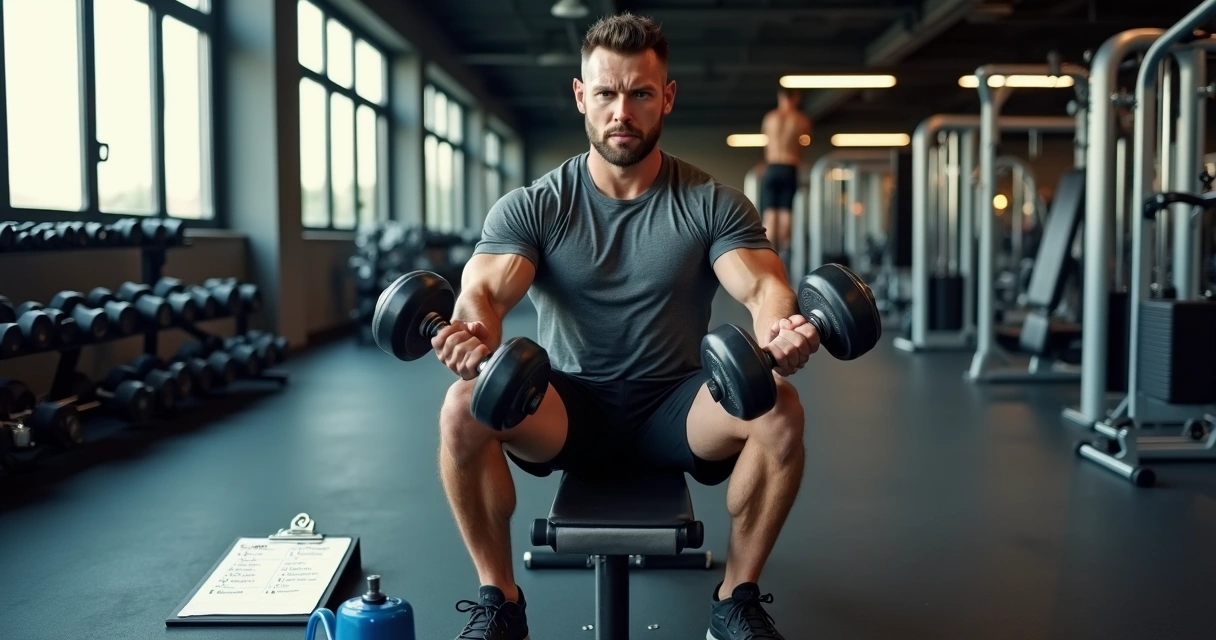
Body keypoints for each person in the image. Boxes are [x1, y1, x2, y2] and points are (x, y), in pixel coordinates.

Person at [433, 12, 818, 640]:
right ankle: (500, 601)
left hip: (677, 406)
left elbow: (763, 286)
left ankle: (735, 599)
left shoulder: (710, 202)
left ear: (667, 96)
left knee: (781, 408)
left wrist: (780, 329)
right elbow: (484, 292)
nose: (622, 111)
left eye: (640, 93)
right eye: (606, 93)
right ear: (580, 96)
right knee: (461, 408)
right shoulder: (538, 205)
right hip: (567, 406)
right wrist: (471, 332)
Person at [759, 87, 813, 257]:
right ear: (796, 98)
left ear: (780, 97)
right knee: (785, 213)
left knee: (770, 214)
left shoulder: (770, 118)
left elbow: (767, 143)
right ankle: (781, 253)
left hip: (772, 167)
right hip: (789, 167)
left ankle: (768, 253)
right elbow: (805, 142)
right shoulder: (800, 119)